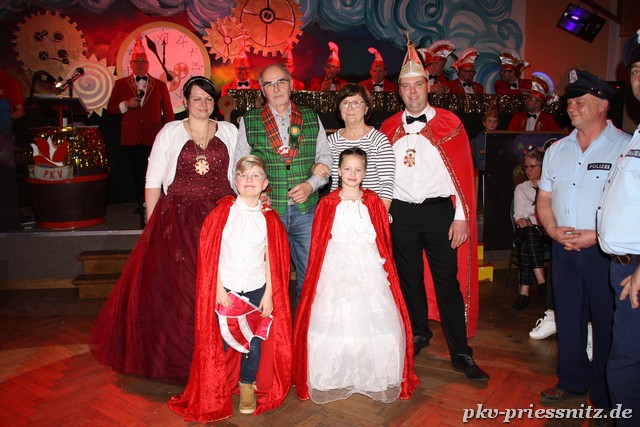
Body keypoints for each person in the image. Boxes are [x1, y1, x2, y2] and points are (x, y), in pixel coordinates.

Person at [91, 76, 238, 384]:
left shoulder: (229, 131)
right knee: (183, 288)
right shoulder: (170, 131)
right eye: (196, 98)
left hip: (222, 218)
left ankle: (221, 356)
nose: (203, 104)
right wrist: (152, 223)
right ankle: (183, 359)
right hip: (179, 220)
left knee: (223, 285)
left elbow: (238, 174)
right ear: (185, 101)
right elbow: (153, 180)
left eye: (208, 99)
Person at [380, 38, 488, 381]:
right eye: (406, 86)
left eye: (418, 85)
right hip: (402, 214)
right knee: (408, 278)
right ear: (399, 91)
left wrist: (461, 217)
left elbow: (462, 175)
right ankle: (418, 332)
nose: (412, 92)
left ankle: (460, 351)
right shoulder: (388, 128)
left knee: (446, 282)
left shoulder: (450, 123)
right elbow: (382, 176)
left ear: (428, 86)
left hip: (440, 213)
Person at [168, 155, 292, 421]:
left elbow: (272, 260)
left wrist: (269, 294)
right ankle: (216, 384)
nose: (249, 180)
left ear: (265, 184)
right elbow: (211, 256)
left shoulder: (269, 219)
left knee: (253, 344)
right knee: (222, 342)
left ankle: (247, 385)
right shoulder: (221, 214)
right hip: (227, 290)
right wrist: (217, 289)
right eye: (243, 175)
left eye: (256, 175)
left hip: (257, 291)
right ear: (235, 181)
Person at [293, 147, 419, 403]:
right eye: (347, 169)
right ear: (339, 171)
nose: (352, 174)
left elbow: (383, 239)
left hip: (368, 266)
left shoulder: (372, 201)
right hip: (336, 267)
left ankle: (371, 372)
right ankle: (337, 372)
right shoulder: (328, 203)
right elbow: (319, 242)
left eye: (358, 169)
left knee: (373, 316)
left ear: (364, 172)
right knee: (335, 316)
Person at [536, 69, 630, 408]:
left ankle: (605, 394)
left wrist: (598, 235)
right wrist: (551, 230)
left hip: (604, 252)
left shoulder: (626, 147)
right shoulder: (557, 149)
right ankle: (572, 381)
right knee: (568, 317)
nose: (571, 108)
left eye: (579, 102)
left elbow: (632, 206)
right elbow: (544, 198)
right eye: (569, 102)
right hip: (563, 248)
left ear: (603, 105)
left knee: (607, 322)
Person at [235, 63, 332, 304]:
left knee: (310, 274)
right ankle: (276, 327)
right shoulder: (249, 120)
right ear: (262, 90)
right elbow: (239, 167)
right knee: (270, 276)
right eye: (269, 84)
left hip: (306, 211)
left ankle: (303, 324)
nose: (276, 88)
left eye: (281, 82)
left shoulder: (311, 117)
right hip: (268, 212)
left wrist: (311, 185)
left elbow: (326, 158)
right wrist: (254, 196)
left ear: (290, 85)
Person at [597, 31, 640, 426]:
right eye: (637, 70)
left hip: (636, 269)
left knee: (625, 368)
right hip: (623, 265)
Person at [106, 36, 174, 212]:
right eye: (137, 61)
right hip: (132, 136)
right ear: (131, 63)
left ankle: (158, 203)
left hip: (154, 135)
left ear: (148, 64)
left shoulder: (159, 85)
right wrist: (125, 104)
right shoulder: (120, 84)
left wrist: (172, 134)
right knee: (137, 171)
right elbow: (111, 109)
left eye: (143, 61)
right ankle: (141, 203)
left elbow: (168, 112)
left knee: (157, 171)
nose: (140, 64)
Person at [328, 83, 395, 210]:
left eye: (356, 102)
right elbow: (323, 175)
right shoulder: (331, 142)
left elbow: (387, 185)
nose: (350, 108)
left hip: (370, 212)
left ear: (366, 108)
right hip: (337, 211)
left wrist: (378, 217)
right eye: (345, 103)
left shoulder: (379, 141)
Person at [510, 149, 548, 311]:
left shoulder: (550, 187)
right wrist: (530, 221)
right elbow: (519, 214)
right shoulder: (521, 188)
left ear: (542, 166)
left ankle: (524, 294)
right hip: (527, 231)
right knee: (529, 234)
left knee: (526, 243)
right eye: (526, 167)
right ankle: (542, 282)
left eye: (533, 166)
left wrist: (532, 222)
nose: (528, 170)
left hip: (547, 232)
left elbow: (553, 214)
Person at [471, 103, 499, 172]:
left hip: (496, 162)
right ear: (484, 123)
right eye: (489, 121)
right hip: (483, 162)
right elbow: (480, 155)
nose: (492, 124)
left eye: (495, 121)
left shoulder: (499, 136)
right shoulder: (480, 138)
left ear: (497, 124)